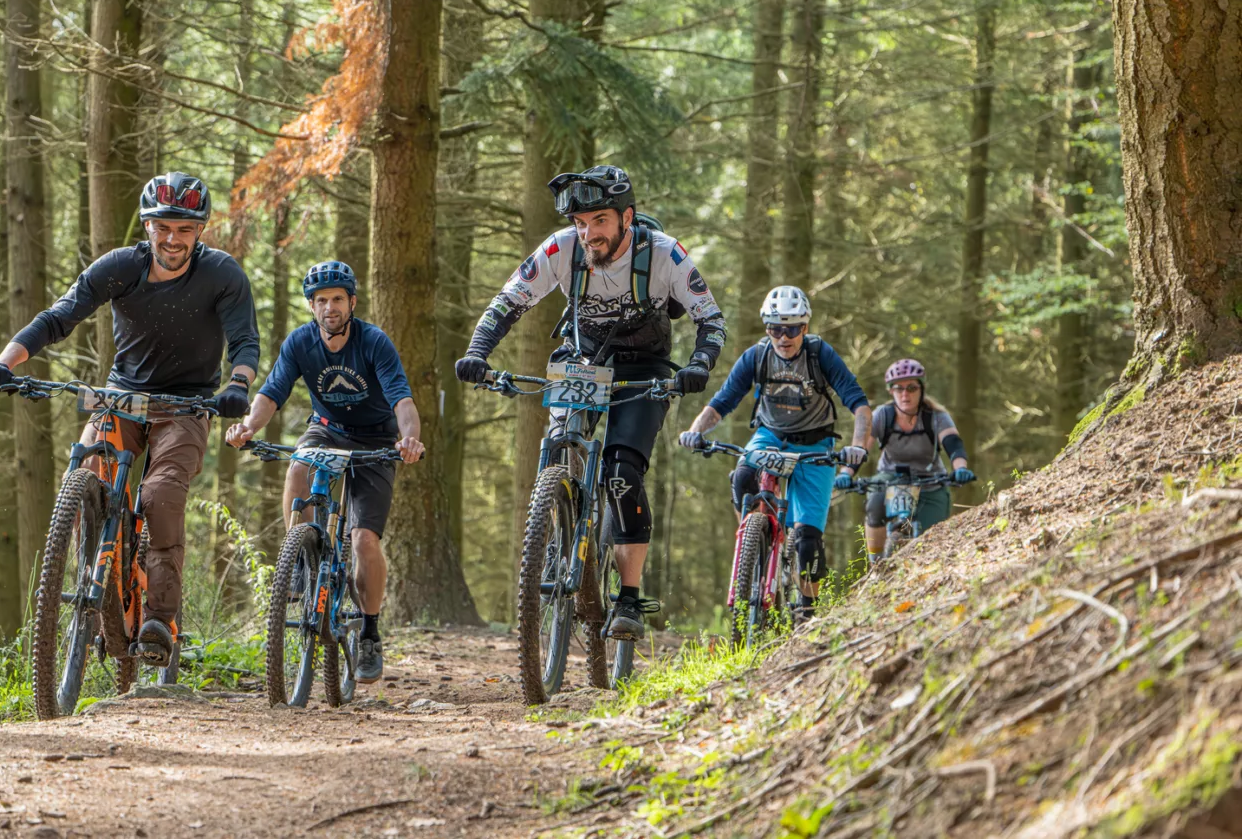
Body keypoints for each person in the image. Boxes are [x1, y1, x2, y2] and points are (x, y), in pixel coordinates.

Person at [0, 172, 260, 665]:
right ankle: (95, 578)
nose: (172, 239)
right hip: (122, 396)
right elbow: (59, 316)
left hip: (186, 405)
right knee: (86, 473)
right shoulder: (120, 267)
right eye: (162, 228)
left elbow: (245, 342)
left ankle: (158, 620)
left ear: (200, 231)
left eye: (184, 229)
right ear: (147, 227)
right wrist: (6, 363)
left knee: (161, 495)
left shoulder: (222, 274)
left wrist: (236, 386)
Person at [454, 165, 727, 639]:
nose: (588, 234)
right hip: (581, 362)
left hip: (644, 372)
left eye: (599, 221)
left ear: (627, 217)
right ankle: (561, 519)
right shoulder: (561, 248)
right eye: (581, 223)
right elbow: (507, 302)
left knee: (622, 472)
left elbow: (711, 319)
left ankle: (628, 597)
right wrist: (477, 352)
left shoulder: (662, 254)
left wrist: (698, 366)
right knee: (561, 442)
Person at [226, 261, 424, 683]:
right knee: (298, 465)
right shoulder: (299, 343)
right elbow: (272, 392)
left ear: (351, 302)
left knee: (364, 539)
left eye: (337, 299)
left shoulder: (374, 342)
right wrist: (247, 426)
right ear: (311, 307)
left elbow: (402, 400)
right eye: (321, 301)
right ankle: (301, 556)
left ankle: (369, 631)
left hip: (376, 438)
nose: (329, 307)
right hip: (327, 429)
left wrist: (408, 439)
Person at [679, 285, 870, 620]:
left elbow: (859, 403)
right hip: (769, 436)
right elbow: (723, 401)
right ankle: (755, 541)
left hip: (815, 444)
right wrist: (695, 431)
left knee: (808, 539)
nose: (784, 337)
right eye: (776, 329)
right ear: (767, 328)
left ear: (805, 328)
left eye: (792, 328)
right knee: (742, 475)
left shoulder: (819, 354)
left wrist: (857, 446)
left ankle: (806, 613)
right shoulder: (757, 355)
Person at [837, 359, 974, 564]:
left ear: (921, 389)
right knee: (874, 503)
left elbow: (953, 443)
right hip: (890, 476)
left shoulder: (936, 417)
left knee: (933, 534)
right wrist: (846, 473)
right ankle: (875, 565)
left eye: (911, 388)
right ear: (890, 391)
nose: (905, 394)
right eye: (898, 388)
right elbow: (862, 448)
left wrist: (961, 469)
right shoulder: (883, 415)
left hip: (930, 479)